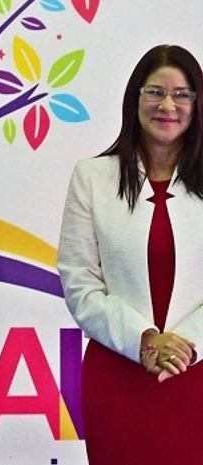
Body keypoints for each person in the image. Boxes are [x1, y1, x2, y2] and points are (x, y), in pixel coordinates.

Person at [57, 44, 203, 464]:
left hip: (197, 373)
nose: (167, 105)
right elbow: (80, 282)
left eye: (182, 94)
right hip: (119, 372)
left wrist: (184, 345)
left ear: (196, 105)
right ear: (134, 99)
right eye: (155, 92)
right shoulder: (92, 178)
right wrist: (144, 340)